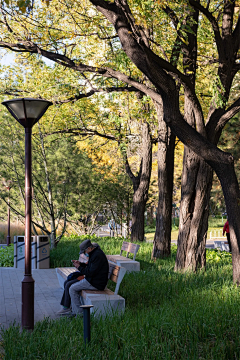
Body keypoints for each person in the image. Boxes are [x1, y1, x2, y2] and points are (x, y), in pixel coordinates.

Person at [57, 239, 109, 317]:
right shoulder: (95, 253)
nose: (84, 254)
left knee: (72, 288)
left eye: (84, 252)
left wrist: (79, 267)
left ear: (88, 248)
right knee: (70, 284)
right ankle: (73, 310)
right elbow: (90, 268)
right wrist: (81, 264)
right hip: (92, 280)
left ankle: (79, 313)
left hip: (96, 283)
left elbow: (89, 272)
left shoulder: (97, 255)